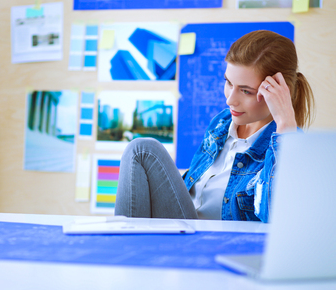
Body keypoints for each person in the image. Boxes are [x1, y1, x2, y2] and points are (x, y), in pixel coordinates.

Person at [114, 30, 314, 223]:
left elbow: (276, 218)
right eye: (228, 82)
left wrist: (286, 123)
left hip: (218, 247)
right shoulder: (222, 123)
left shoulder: (290, 147)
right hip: (184, 231)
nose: (230, 100)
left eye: (246, 91)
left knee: (142, 150)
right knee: (139, 151)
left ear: (277, 92)